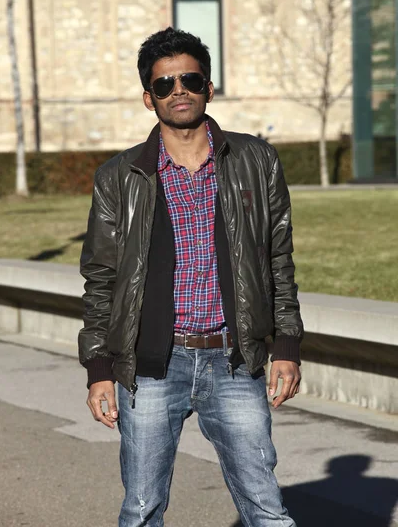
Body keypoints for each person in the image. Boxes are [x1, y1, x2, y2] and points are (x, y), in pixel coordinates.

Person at [78, 27, 304, 527]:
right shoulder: (119, 177)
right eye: (164, 85)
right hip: (153, 363)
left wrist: (286, 345)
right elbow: (101, 280)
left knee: (267, 505)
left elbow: (278, 261)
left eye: (190, 79)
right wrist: (98, 368)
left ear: (208, 87)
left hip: (234, 358)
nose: (178, 91)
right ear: (148, 98)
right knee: (142, 509)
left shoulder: (255, 160)